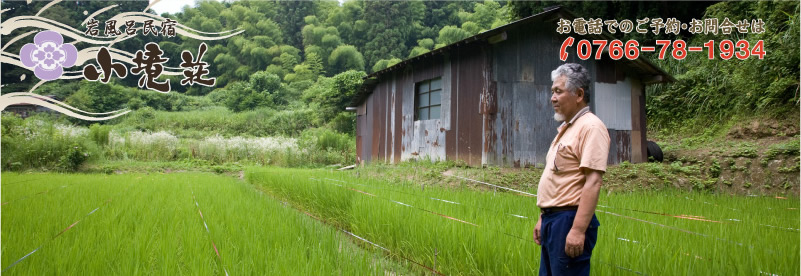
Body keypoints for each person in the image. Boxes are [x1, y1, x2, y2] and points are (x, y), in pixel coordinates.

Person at [533, 63, 610, 276]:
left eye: (558, 91)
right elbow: (560, 179)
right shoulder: (567, 129)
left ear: (579, 94)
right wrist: (543, 217)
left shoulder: (591, 127)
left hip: (568, 220)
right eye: (552, 92)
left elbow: (593, 182)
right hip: (553, 220)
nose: (552, 98)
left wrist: (577, 230)